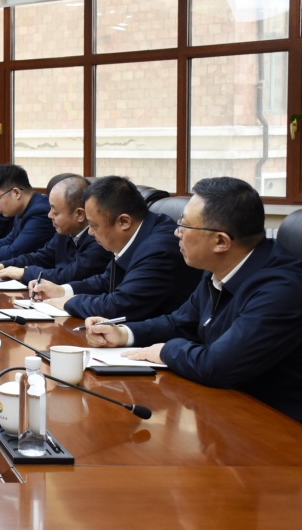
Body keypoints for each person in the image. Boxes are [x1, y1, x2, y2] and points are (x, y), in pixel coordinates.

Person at [84, 177, 302, 422]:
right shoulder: (218, 268)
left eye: (185, 226)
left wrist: (166, 350)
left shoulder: (281, 289)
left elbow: (218, 365)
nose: (176, 233)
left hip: (275, 423)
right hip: (223, 406)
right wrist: (123, 334)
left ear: (221, 241)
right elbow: (180, 323)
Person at [31, 175, 200, 321]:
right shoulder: (136, 233)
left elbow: (120, 305)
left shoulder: (159, 249)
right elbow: (106, 281)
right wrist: (61, 290)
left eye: (94, 225)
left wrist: (69, 302)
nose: (90, 232)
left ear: (124, 222)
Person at [0, 175, 111, 285]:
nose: (49, 215)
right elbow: (41, 257)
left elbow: (69, 275)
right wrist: (2, 266)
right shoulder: (65, 232)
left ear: (80, 215)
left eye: (55, 212)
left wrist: (24, 273)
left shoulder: (99, 240)